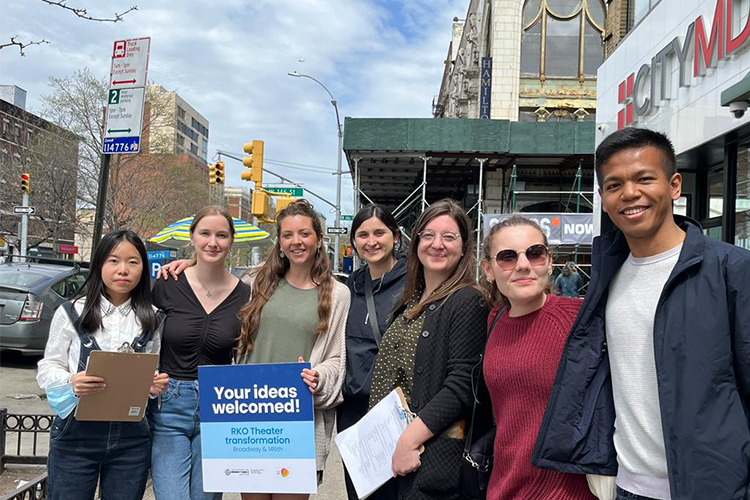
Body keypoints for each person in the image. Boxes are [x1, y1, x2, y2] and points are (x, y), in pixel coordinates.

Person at [532, 128, 750, 500]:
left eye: (644, 178)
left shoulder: (731, 269)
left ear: (675, 185)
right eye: (615, 185)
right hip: (627, 488)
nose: (630, 193)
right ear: (602, 198)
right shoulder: (608, 275)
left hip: (713, 488)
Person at [368, 199, 488, 500]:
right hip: (391, 452)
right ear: (416, 242)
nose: (437, 245)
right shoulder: (410, 300)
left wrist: (409, 440)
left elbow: (462, 385)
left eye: (449, 237)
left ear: (463, 247)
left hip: (428, 456)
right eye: (428, 235)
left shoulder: (467, 301)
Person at [37, 229, 168, 500]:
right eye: (113, 260)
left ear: (144, 268)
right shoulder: (72, 311)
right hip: (75, 436)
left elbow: (150, 367)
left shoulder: (152, 318)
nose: (123, 270)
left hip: (132, 439)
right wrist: (71, 381)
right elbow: (49, 365)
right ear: (99, 264)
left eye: (133, 262)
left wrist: (153, 384)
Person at [235, 199, 350, 500]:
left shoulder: (338, 295)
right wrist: (187, 263)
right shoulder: (256, 281)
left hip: (299, 419)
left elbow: (337, 357)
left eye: (304, 233)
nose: (296, 241)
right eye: (287, 235)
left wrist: (318, 375)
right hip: (252, 414)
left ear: (319, 239)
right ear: (280, 241)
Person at [479, 215, 595, 500]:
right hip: (504, 485)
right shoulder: (494, 319)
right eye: (507, 257)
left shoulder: (577, 320)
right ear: (488, 269)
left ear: (549, 260)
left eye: (535, 253)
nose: (523, 265)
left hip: (565, 492)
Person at [150, 206, 250, 500]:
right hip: (170, 404)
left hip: (219, 405)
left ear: (231, 241)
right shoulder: (167, 283)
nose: (213, 242)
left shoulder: (245, 294)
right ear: (192, 237)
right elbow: (140, 334)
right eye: (205, 233)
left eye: (221, 235)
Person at [338, 204, 407, 500]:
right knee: (361, 494)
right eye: (363, 234)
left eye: (379, 232)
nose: (372, 241)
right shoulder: (347, 288)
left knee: (400, 491)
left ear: (395, 236)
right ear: (354, 242)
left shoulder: (416, 283)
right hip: (354, 411)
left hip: (398, 408)